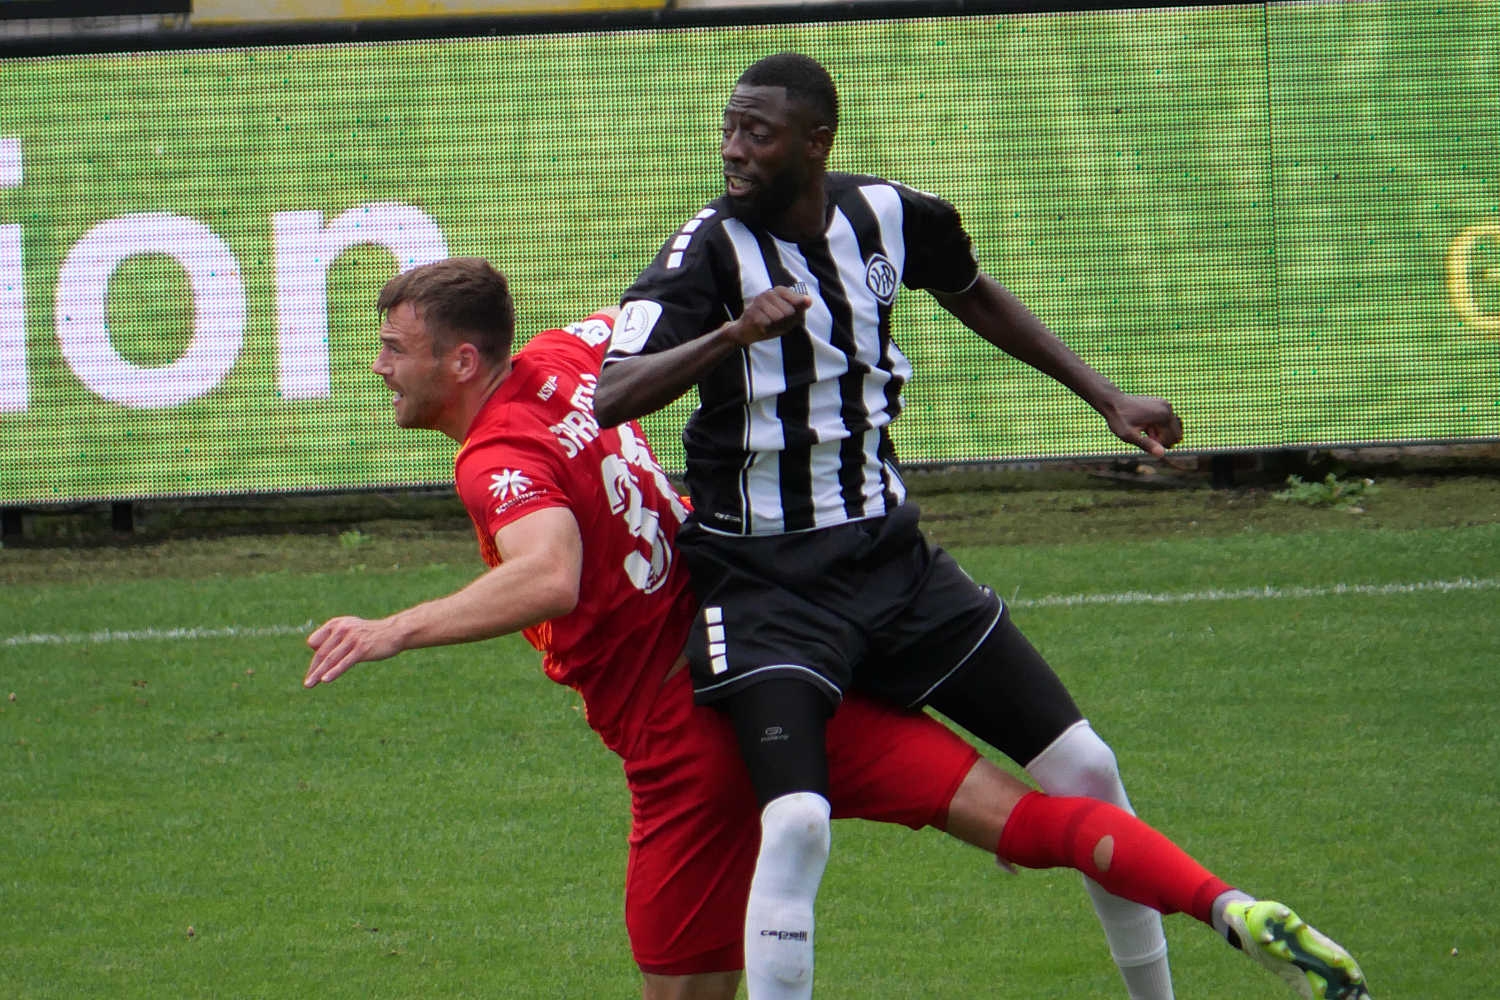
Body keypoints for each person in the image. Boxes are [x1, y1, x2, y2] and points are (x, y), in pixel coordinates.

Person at [305, 257, 1370, 1000]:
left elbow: (548, 575)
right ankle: (1229, 906)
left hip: (682, 739)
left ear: (461, 362)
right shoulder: (570, 353)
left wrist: (392, 628)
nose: (378, 365)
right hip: (770, 661)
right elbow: (665, 304)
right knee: (1025, 819)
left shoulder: (495, 457)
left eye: (394, 348)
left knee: (689, 980)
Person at [593, 53, 1372, 1000]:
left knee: (1089, 766)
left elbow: (972, 290)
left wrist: (1107, 397)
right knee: (796, 823)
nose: (733, 149)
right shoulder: (706, 253)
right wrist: (731, 334)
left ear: (816, 142)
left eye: (757, 133)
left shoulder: (890, 214)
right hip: (765, 588)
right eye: (729, 128)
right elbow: (611, 395)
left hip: (891, 565)